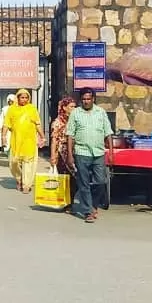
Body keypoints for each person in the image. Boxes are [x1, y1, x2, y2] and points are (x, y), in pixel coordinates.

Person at [65, 89, 112, 222]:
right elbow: (70, 135)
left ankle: (93, 204)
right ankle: (88, 212)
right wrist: (70, 155)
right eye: (84, 99)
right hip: (81, 152)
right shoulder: (75, 113)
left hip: (98, 152)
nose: (86, 101)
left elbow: (108, 132)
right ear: (81, 100)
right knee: (83, 183)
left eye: (88, 99)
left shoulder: (100, 112)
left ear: (93, 99)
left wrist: (111, 152)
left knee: (101, 182)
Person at [2, 89, 44, 193]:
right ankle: (19, 179)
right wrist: (3, 137)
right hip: (16, 140)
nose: (24, 100)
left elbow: (37, 124)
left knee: (29, 163)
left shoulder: (32, 109)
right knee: (13, 163)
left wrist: (42, 136)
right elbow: (6, 124)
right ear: (18, 98)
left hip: (29, 140)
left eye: (26, 98)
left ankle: (27, 185)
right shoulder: (12, 109)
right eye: (22, 97)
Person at [49, 95, 76, 176]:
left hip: (74, 151)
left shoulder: (75, 121)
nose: (74, 109)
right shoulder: (58, 123)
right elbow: (54, 140)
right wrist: (53, 156)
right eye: (71, 107)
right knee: (65, 177)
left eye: (75, 107)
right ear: (64, 108)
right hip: (62, 153)